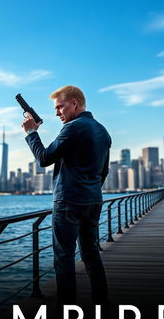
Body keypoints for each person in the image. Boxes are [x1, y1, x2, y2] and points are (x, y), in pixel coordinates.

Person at [21, 85, 112, 305]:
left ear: (74, 103)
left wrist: (32, 132)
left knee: (64, 259)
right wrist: (89, 190)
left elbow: (44, 158)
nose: (56, 112)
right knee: (91, 255)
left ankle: (67, 315)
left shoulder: (72, 128)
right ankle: (101, 304)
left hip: (68, 202)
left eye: (60, 107)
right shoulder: (103, 131)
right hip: (92, 201)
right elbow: (104, 171)